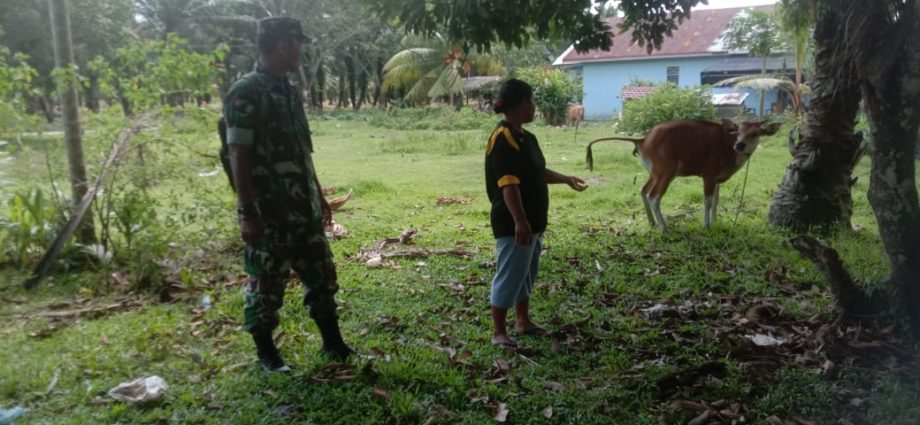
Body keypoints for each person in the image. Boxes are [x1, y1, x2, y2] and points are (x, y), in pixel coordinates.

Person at [223, 17, 353, 372]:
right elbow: (238, 154)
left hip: (303, 206)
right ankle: (267, 354)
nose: (300, 51)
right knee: (266, 283)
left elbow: (302, 150)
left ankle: (334, 344)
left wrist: (318, 194)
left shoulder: (289, 90)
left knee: (322, 275)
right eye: (297, 43)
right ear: (282, 44)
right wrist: (247, 212)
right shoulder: (246, 91)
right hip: (269, 212)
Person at [484, 79, 588, 347]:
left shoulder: (526, 138)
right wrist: (519, 219)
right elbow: (508, 183)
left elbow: (537, 173)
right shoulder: (503, 138)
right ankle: (499, 332)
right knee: (510, 273)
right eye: (531, 101)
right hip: (513, 222)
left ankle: (523, 321)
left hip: (533, 220)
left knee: (525, 272)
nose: (533, 106)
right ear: (521, 104)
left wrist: (566, 179)